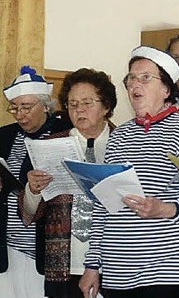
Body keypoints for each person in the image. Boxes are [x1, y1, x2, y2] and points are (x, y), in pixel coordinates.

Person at [79, 46, 179, 298]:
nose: (134, 85)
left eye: (145, 78)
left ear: (166, 89)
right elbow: (103, 205)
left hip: (169, 270)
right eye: (130, 79)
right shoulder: (119, 136)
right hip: (118, 270)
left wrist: (164, 209)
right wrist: (92, 265)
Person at [18, 68, 117, 298]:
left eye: (87, 103)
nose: (78, 110)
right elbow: (27, 214)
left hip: (113, 262)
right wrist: (32, 190)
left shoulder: (124, 143)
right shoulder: (50, 145)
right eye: (72, 104)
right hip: (63, 263)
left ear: (106, 107)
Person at [0, 65, 72, 298]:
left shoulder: (65, 133)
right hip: (6, 245)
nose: (20, 114)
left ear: (46, 106)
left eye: (27, 107)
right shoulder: (4, 135)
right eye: (15, 108)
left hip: (44, 246)